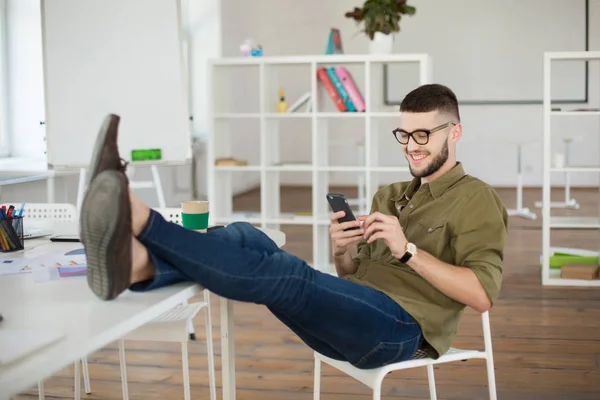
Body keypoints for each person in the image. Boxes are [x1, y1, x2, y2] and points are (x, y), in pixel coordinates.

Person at [79, 83, 507, 370]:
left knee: (288, 277)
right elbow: (351, 278)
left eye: (423, 136)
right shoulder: (391, 194)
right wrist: (342, 251)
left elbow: (481, 296)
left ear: (455, 133)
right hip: (359, 310)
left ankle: (140, 220)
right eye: (404, 134)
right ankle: (137, 264)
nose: (411, 147)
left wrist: (407, 250)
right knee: (248, 236)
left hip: (400, 331)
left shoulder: (477, 199)